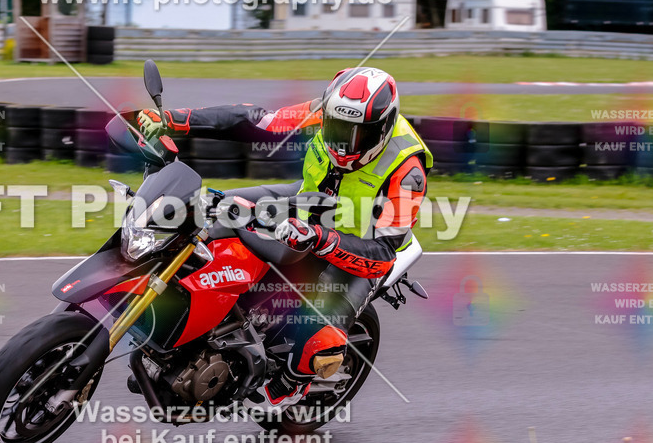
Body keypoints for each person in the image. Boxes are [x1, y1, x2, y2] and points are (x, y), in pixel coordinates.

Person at [137, 67, 433, 411]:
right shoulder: (325, 111)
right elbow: (254, 121)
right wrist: (176, 120)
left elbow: (382, 255)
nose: (343, 142)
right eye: (336, 129)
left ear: (383, 127)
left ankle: (293, 382)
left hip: (361, 239)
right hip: (313, 202)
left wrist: (323, 240)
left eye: (357, 135)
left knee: (318, 334)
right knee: (215, 208)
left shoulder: (408, 171)